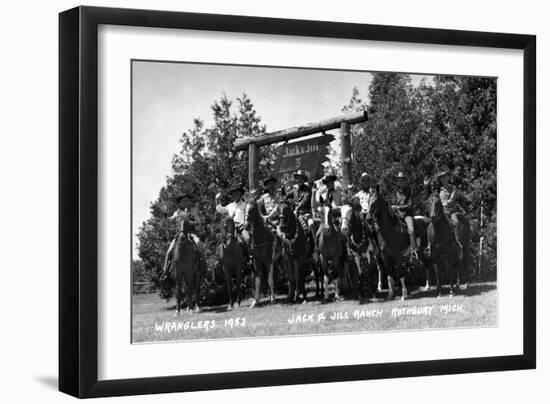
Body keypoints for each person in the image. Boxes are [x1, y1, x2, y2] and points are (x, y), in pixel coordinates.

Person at [162, 193, 204, 274]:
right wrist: (166, 217)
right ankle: (165, 269)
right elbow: (171, 219)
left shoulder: (193, 211)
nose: (186, 202)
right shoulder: (177, 212)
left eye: (187, 201)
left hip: (191, 234)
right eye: (183, 201)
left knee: (199, 244)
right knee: (169, 250)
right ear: (180, 203)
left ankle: (203, 266)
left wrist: (192, 223)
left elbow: (198, 222)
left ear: (189, 202)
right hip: (179, 235)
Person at [437, 167, 465, 258]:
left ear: (448, 178)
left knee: (456, 222)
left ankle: (458, 244)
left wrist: (446, 203)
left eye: (445, 177)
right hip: (442, 212)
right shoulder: (439, 190)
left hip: (451, 211)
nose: (443, 179)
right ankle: (431, 245)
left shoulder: (453, 188)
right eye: (441, 178)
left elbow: (452, 199)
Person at [391, 171, 418, 259]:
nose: (400, 182)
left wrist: (398, 208)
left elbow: (410, 205)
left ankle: (414, 250)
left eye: (402, 180)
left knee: (411, 230)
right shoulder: (395, 192)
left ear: (405, 181)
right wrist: (392, 207)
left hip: (407, 215)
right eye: (399, 180)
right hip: (397, 215)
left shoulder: (409, 190)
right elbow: (393, 202)